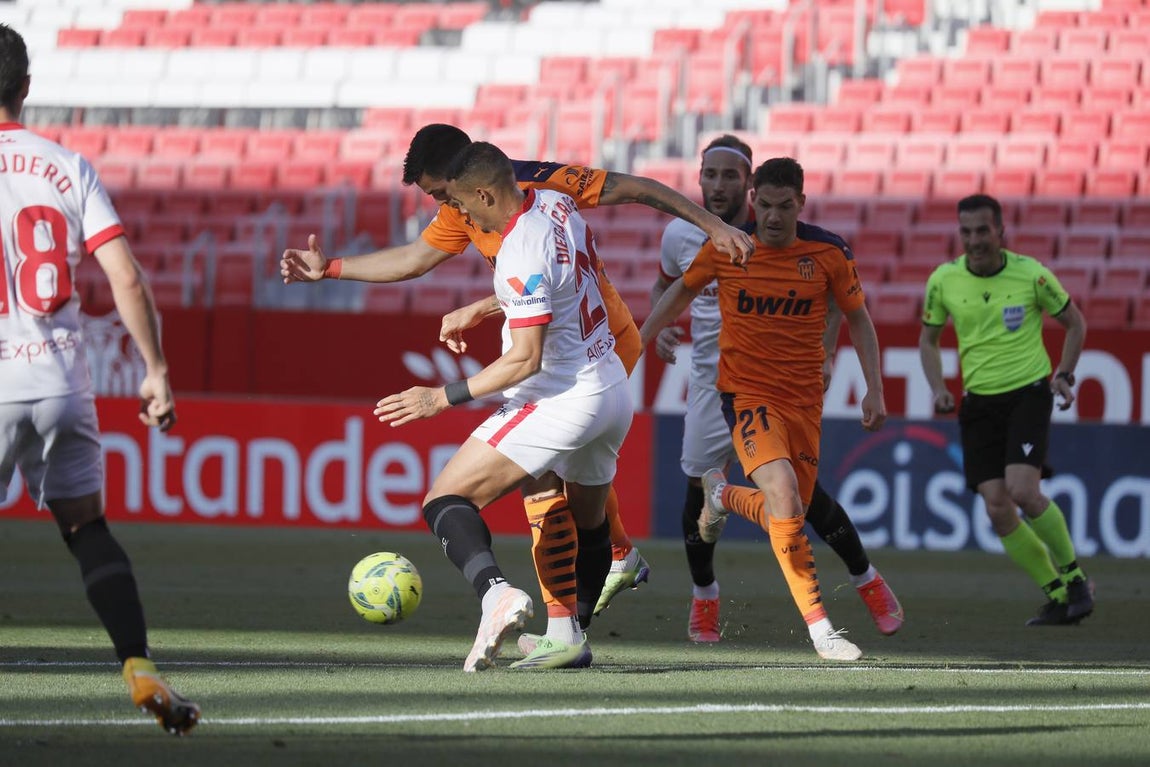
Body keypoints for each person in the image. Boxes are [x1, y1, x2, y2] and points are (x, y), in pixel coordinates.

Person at [283, 123, 754, 623]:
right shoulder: (472, 207)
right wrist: (332, 268)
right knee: (560, 486)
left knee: (543, 480)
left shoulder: (541, 185)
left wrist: (713, 226)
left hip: (597, 346)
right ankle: (599, 578)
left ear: (470, 176)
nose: (446, 207)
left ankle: (568, 609)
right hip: (562, 351)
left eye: (442, 193)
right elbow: (419, 258)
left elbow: (633, 190)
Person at [0, 25, 198, 734]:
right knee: (86, 526)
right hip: (58, 376)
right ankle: (139, 665)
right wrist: (156, 370)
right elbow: (124, 276)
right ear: (25, 89)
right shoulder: (65, 165)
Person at [373, 141, 632, 670]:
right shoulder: (556, 203)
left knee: (445, 499)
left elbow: (525, 361)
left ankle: (496, 594)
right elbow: (558, 280)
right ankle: (568, 636)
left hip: (562, 395)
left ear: (486, 193)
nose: (460, 215)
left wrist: (441, 396)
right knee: (590, 523)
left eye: (464, 204)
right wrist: (490, 305)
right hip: (612, 386)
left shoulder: (517, 250)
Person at [651, 136, 903, 643]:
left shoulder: (821, 250)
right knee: (711, 489)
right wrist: (648, 336)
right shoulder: (691, 238)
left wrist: (836, 364)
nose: (720, 185)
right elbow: (669, 288)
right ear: (699, 179)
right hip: (718, 384)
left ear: (748, 186)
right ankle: (707, 599)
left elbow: (843, 309)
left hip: (796, 390)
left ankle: (864, 576)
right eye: (711, 175)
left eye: (730, 177)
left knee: (798, 503)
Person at [919, 194, 1093, 626]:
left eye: (983, 230)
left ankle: (1075, 579)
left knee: (1021, 490)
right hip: (978, 403)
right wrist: (939, 387)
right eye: (966, 231)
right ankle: (1057, 595)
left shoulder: (1031, 274)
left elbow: (1076, 323)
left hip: (1027, 393)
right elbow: (929, 338)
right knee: (996, 506)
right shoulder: (943, 280)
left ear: (1000, 231)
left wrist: (1065, 376)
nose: (974, 240)